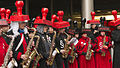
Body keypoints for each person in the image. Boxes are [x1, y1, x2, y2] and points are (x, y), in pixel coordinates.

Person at [9, 1, 30, 68]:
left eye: (24, 23)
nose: (24, 24)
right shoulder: (12, 34)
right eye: (22, 23)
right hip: (17, 62)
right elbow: (10, 49)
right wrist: (20, 56)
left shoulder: (25, 33)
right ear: (16, 24)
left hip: (25, 61)